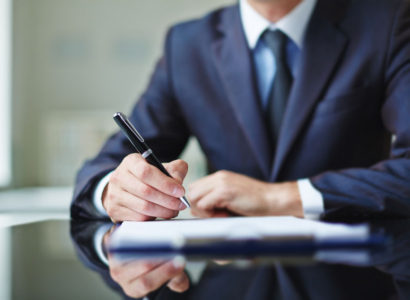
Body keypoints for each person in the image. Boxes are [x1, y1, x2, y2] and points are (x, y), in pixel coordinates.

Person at [71, 0, 410, 222]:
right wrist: (115, 190)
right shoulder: (187, 45)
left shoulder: (388, 24)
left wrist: (281, 197)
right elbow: (103, 167)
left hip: (360, 271)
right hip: (233, 275)